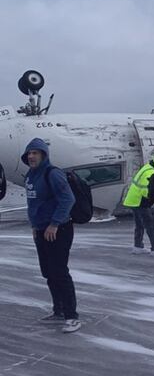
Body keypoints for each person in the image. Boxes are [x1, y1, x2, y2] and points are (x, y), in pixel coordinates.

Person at [22, 138, 81, 333]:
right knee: (48, 272)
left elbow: (68, 199)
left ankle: (72, 316)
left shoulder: (52, 173)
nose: (31, 156)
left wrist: (54, 224)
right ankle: (59, 310)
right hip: (41, 230)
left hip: (58, 230)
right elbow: (34, 204)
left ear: (44, 155)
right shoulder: (30, 175)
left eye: (35, 153)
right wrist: (35, 226)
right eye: (29, 153)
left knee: (59, 271)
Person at [122, 154, 154, 255]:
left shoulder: (147, 167)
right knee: (149, 224)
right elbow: (146, 190)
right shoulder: (150, 173)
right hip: (140, 201)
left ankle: (138, 246)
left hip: (133, 199)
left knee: (139, 224)